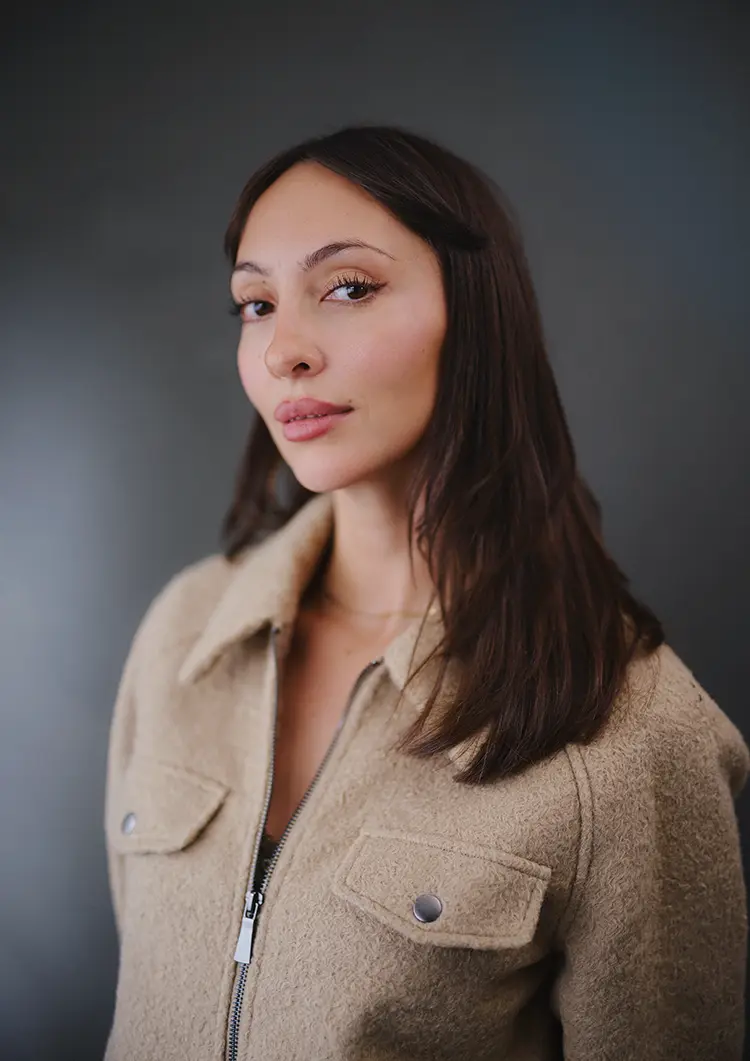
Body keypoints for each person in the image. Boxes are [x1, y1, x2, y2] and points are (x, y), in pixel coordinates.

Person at [103, 124, 750, 1061]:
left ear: (475, 313)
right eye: (256, 303)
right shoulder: (183, 633)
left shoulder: (630, 723)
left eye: (348, 287)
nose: (284, 349)